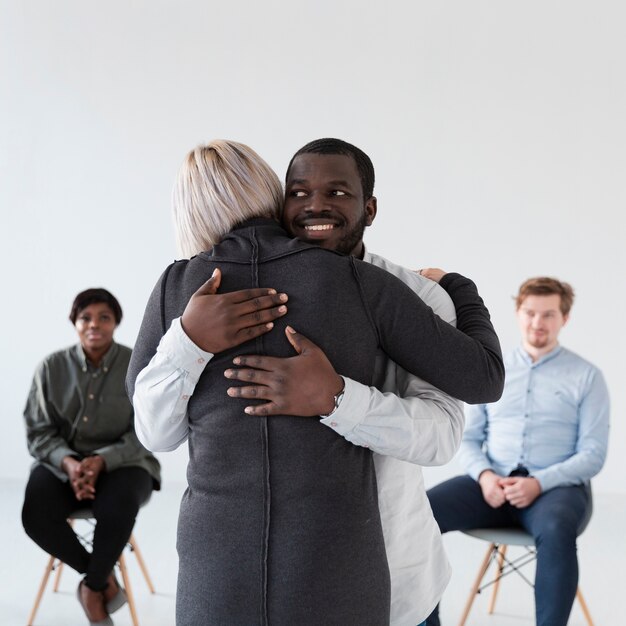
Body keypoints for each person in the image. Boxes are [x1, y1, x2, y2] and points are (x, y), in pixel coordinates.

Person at [126, 139, 504, 625]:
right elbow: (153, 427)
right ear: (274, 198)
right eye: (299, 192)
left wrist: (336, 398)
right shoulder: (193, 298)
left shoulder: (415, 293)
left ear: (369, 209)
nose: (315, 206)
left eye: (337, 193)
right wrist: (188, 340)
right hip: (261, 568)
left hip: (397, 566)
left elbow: (451, 424)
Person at [425, 277, 610, 626]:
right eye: (530, 313)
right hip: (492, 483)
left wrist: (539, 483)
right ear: (517, 313)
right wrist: (485, 476)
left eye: (548, 315)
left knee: (556, 529)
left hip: (555, 490)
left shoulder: (587, 377)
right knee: (421, 512)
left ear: (564, 319)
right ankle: (425, 621)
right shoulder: (494, 369)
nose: (537, 322)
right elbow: (469, 438)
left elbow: (593, 453)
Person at [22, 288, 161, 626]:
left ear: (116, 323)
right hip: (63, 464)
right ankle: (100, 579)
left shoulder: (137, 365)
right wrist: (70, 463)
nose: (94, 324)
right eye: (86, 317)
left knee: (117, 506)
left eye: (104, 317)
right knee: (35, 512)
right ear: (75, 322)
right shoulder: (51, 368)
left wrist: (101, 461)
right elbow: (38, 432)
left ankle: (92, 588)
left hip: (125, 463)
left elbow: (146, 431)